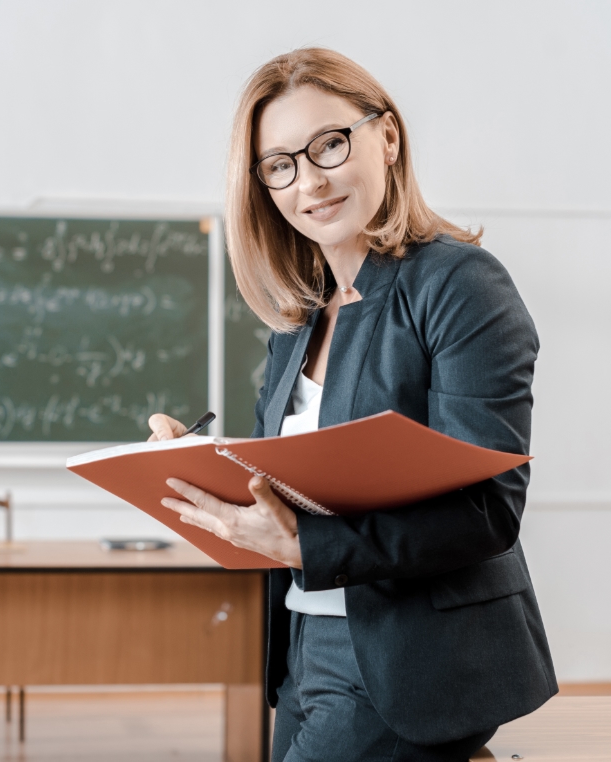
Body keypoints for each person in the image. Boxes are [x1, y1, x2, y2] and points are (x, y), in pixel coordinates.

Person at [149, 48, 556, 762]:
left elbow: (487, 508)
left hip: (410, 661)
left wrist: (307, 546)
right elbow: (276, 490)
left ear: (388, 138)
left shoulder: (461, 287)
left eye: (329, 145)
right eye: (279, 164)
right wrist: (196, 473)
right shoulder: (299, 321)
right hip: (303, 653)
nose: (309, 181)